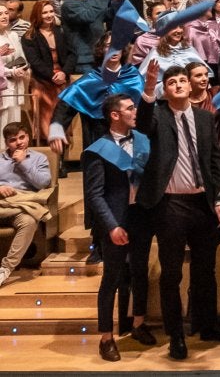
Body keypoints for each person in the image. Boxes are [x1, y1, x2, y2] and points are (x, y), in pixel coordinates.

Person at [135, 63, 220, 358]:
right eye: (173, 82)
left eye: (183, 80)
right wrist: (148, 88)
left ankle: (207, 325)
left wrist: (218, 199)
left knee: (206, 270)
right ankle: (176, 335)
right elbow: (142, 126)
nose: (179, 84)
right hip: (170, 204)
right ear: (165, 90)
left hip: (202, 203)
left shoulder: (206, 118)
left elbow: (214, 164)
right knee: (171, 274)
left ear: (191, 86)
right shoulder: (157, 116)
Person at [82, 93, 154, 360]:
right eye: (130, 108)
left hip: (141, 217)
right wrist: (111, 226)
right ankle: (106, 337)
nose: (135, 111)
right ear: (114, 115)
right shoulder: (98, 149)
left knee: (140, 272)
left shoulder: (143, 141)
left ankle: (138, 323)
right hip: (115, 221)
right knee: (111, 278)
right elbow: (95, 195)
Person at [0, 120, 52, 288]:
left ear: (28, 137)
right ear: (7, 143)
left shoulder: (39, 158)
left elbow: (43, 183)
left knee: (29, 222)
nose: (19, 142)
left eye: (22, 137)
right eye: (13, 140)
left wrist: (24, 163)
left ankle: (5, 269)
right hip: (2, 204)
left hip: (21, 206)